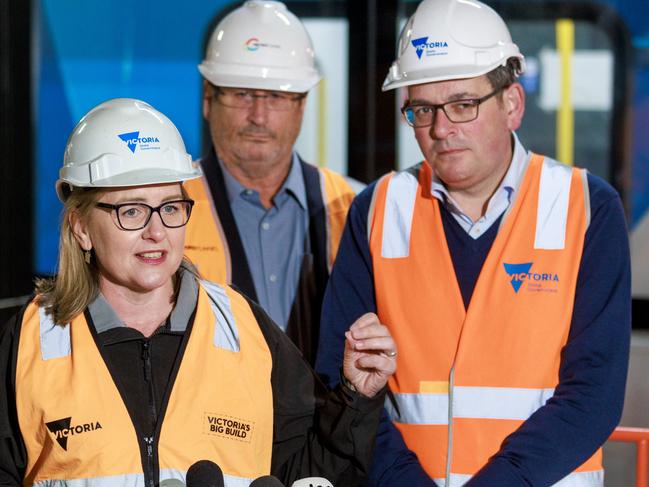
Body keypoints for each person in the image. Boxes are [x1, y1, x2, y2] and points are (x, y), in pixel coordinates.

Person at [0, 98, 397, 486]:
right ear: (81, 228)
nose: (157, 232)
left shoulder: (244, 328)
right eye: (132, 210)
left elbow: (308, 473)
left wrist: (355, 398)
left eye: (170, 208)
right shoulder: (31, 341)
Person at [315, 0, 631, 486]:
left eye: (463, 104)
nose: (442, 129)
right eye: (422, 109)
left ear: (512, 104)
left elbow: (594, 393)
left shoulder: (586, 209)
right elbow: (341, 378)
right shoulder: (377, 210)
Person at [183, 0, 355, 365]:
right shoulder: (166, 208)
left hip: (329, 420)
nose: (258, 116)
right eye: (242, 94)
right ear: (208, 100)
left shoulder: (352, 206)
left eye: (277, 96)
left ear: (302, 106)